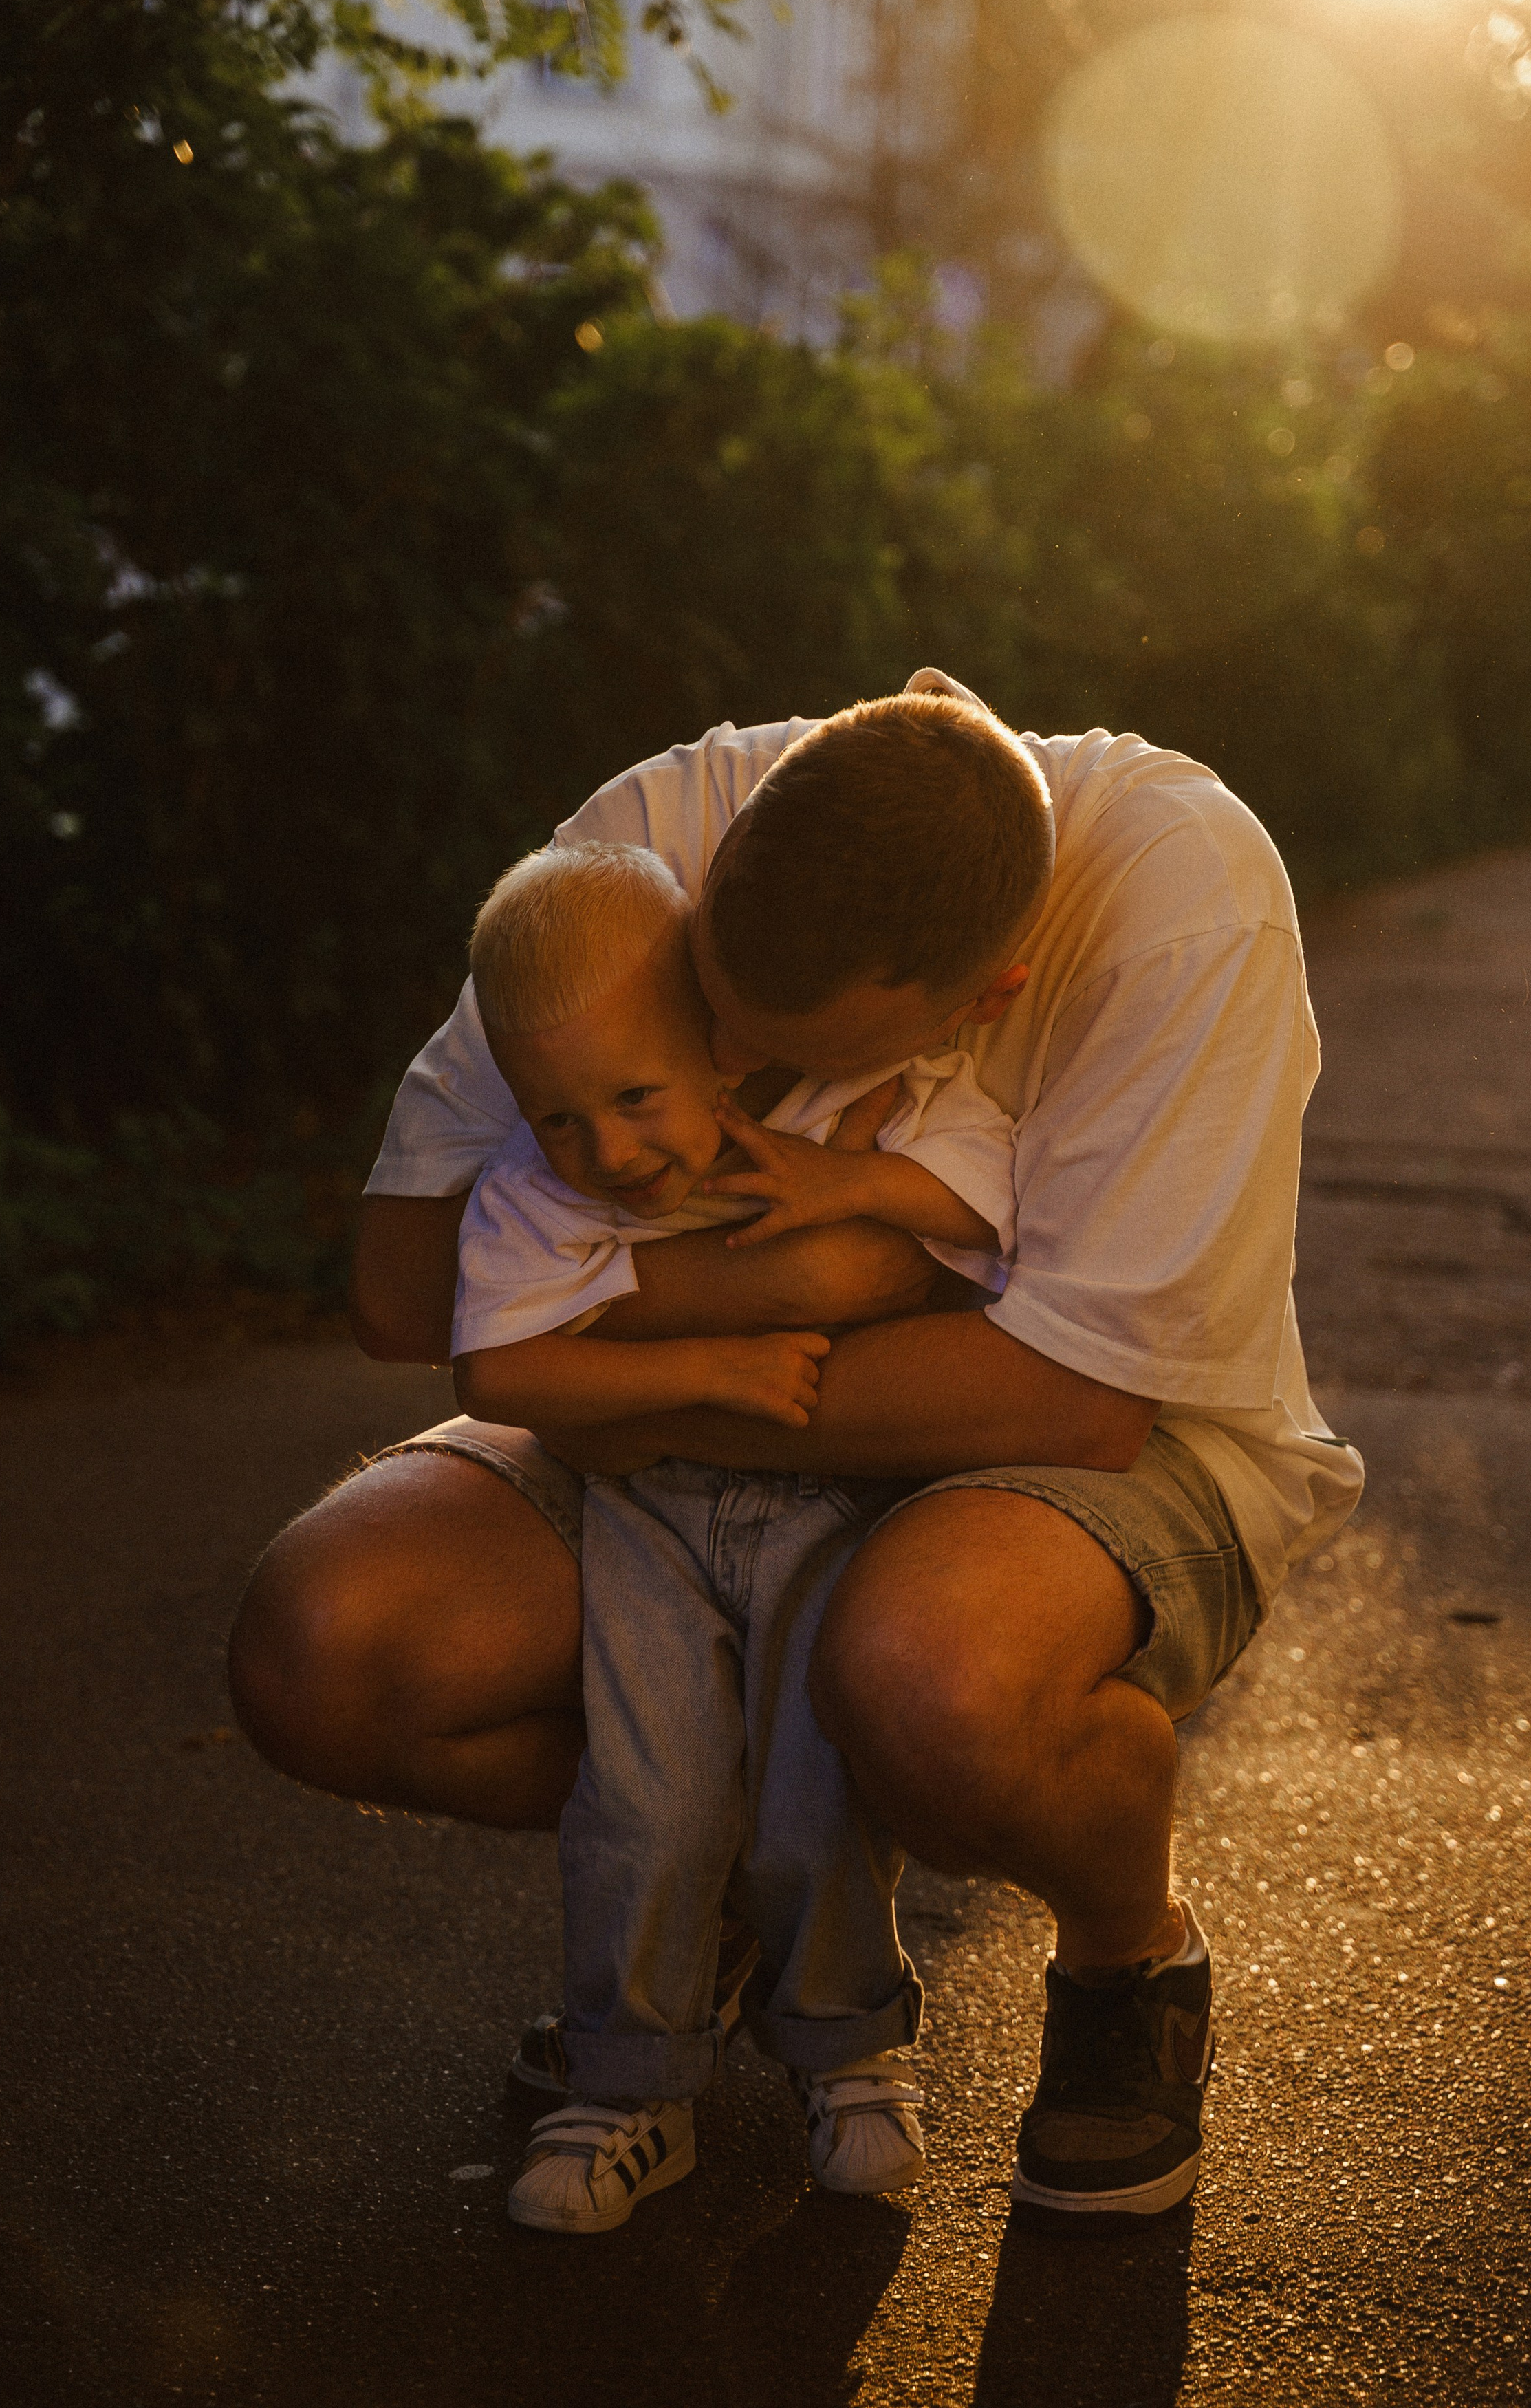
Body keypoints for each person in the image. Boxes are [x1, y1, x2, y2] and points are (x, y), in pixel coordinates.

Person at [230, 675, 1364, 2228]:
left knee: (930, 1679)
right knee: (328, 1650)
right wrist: (776, 1286)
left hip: (1100, 1441)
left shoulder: (1186, 904)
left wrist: (639, 1380)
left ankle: (1125, 1956)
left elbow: (1075, 1401)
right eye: (704, 1021)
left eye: (775, 1059)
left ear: (980, 998)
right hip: (681, 1414)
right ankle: (728, 1876)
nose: (713, 1102)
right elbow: (400, 1288)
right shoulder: (644, 842)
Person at [451, 838, 1017, 2230]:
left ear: (716, 1040)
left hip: (831, 1508)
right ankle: (628, 2079)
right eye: (560, 1116)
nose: (609, 1151)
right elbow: (497, 1375)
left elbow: (988, 1201)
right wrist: (697, 1372)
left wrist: (855, 1189)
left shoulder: (846, 1105)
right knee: (644, 1793)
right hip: (644, 1514)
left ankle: (849, 2051)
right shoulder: (533, 1192)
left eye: (634, 1097)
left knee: (812, 1791)